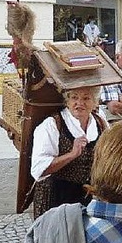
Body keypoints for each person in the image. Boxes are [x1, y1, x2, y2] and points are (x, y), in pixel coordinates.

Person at [31, 86, 108, 219]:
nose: (80, 103)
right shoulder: (52, 124)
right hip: (55, 197)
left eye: (86, 98)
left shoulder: (100, 123)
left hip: (87, 198)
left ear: (95, 102)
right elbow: (39, 169)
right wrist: (72, 155)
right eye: (74, 98)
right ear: (67, 101)